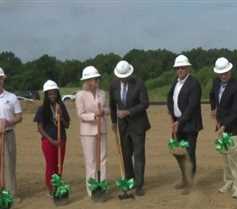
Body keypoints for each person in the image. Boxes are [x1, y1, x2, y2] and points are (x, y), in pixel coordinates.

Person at [109, 60, 150, 196]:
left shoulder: (139, 83)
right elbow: (112, 104)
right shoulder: (113, 84)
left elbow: (145, 103)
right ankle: (129, 180)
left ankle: (139, 185)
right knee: (125, 154)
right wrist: (114, 122)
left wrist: (128, 112)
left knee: (138, 155)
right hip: (122, 126)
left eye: (125, 77)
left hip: (138, 124)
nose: (123, 79)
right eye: (121, 77)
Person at [167, 54, 203, 194]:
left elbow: (192, 106)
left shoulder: (194, 84)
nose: (180, 70)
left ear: (188, 68)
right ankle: (184, 178)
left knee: (189, 153)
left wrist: (180, 122)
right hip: (177, 123)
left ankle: (190, 182)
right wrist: (172, 116)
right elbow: (170, 98)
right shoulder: (175, 82)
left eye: (182, 67)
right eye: (178, 68)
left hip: (190, 125)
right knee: (179, 154)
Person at [210, 57, 237, 199]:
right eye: (220, 73)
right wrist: (213, 109)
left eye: (225, 73)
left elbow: (236, 111)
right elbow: (212, 95)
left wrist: (224, 125)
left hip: (234, 128)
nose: (223, 76)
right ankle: (228, 181)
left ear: (230, 70)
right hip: (220, 127)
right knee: (225, 156)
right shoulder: (216, 82)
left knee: (234, 158)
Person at [75, 66, 110, 197]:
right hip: (87, 132)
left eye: (96, 79)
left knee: (103, 159)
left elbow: (107, 109)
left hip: (102, 130)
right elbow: (80, 114)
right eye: (93, 79)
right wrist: (94, 116)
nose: (95, 81)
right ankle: (92, 189)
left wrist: (104, 112)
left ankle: (103, 186)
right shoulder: (80, 95)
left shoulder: (103, 93)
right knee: (91, 161)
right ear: (87, 81)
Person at [34, 80, 70, 194]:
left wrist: (60, 116)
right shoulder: (42, 109)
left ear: (57, 93)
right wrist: (52, 140)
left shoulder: (61, 106)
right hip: (48, 142)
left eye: (54, 93)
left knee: (59, 165)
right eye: (49, 94)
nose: (52, 96)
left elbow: (67, 125)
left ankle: (58, 185)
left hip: (62, 140)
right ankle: (51, 188)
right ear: (46, 95)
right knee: (51, 165)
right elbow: (40, 128)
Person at [0, 67, 22, 197]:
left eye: (0, 79)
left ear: (3, 79)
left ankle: (10, 195)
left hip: (8, 134)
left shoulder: (12, 97)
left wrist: (9, 122)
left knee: (9, 165)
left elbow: (19, 116)